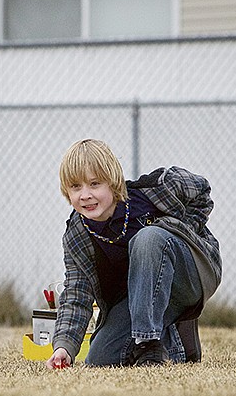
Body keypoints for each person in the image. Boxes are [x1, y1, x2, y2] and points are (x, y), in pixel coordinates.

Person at [46, 139, 221, 368]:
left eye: (95, 183)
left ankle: (147, 345)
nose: (85, 195)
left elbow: (200, 190)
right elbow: (77, 294)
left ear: (112, 182)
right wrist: (63, 347)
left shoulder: (150, 193)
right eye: (76, 187)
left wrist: (184, 229)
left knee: (148, 238)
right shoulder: (77, 235)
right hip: (139, 299)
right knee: (100, 360)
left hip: (190, 275)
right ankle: (178, 339)